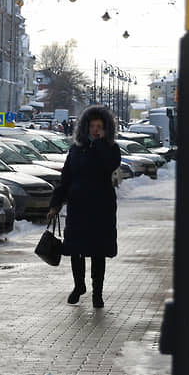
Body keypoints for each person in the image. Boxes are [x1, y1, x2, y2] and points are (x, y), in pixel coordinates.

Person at [46, 106, 120, 308]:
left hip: (101, 208)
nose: (95, 130)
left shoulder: (111, 148)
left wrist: (101, 144)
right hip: (78, 207)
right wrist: (55, 205)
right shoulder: (76, 149)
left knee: (98, 252)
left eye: (100, 127)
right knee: (76, 250)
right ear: (85, 127)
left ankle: (98, 293)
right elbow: (65, 179)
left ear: (106, 129)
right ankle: (79, 286)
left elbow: (110, 165)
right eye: (92, 126)